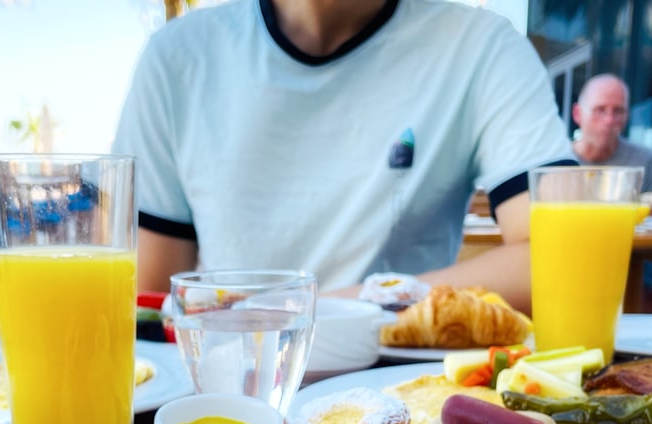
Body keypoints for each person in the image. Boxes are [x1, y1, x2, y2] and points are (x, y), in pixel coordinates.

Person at [112, 0, 575, 314]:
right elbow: (150, 297)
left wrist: (311, 311)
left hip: (408, 393)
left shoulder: (480, 44)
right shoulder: (177, 57)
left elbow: (562, 260)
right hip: (226, 395)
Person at [572, 73, 652, 313]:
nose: (609, 120)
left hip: (631, 259)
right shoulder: (558, 162)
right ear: (578, 114)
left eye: (618, 111)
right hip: (573, 257)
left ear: (627, 116)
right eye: (600, 110)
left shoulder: (644, 159)